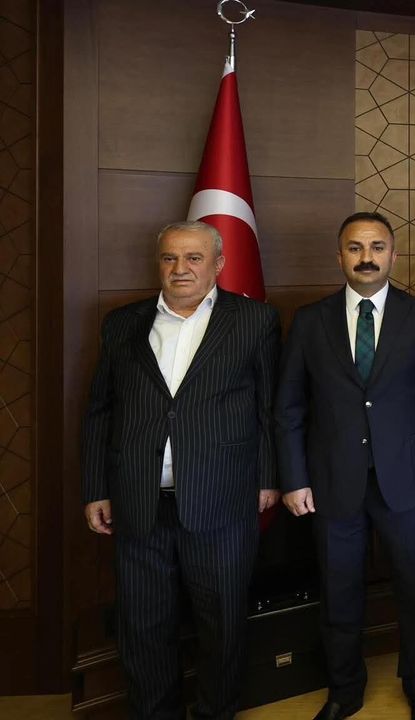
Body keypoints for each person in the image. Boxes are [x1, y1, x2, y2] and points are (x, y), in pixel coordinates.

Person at [81, 220, 280, 720]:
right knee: (143, 627)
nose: (180, 268)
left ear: (219, 264)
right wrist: (96, 488)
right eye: (170, 258)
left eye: (194, 258)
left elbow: (268, 409)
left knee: (222, 625)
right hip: (138, 502)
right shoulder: (122, 324)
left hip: (222, 500)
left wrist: (268, 478)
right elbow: (101, 411)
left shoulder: (255, 320)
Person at [275, 211, 415, 720]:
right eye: (355, 248)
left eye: (377, 247)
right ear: (339, 256)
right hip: (332, 480)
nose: (366, 257)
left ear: (393, 255)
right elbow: (289, 407)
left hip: (408, 477)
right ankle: (344, 689)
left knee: (414, 585)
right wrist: (293, 478)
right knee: (338, 589)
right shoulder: (310, 321)